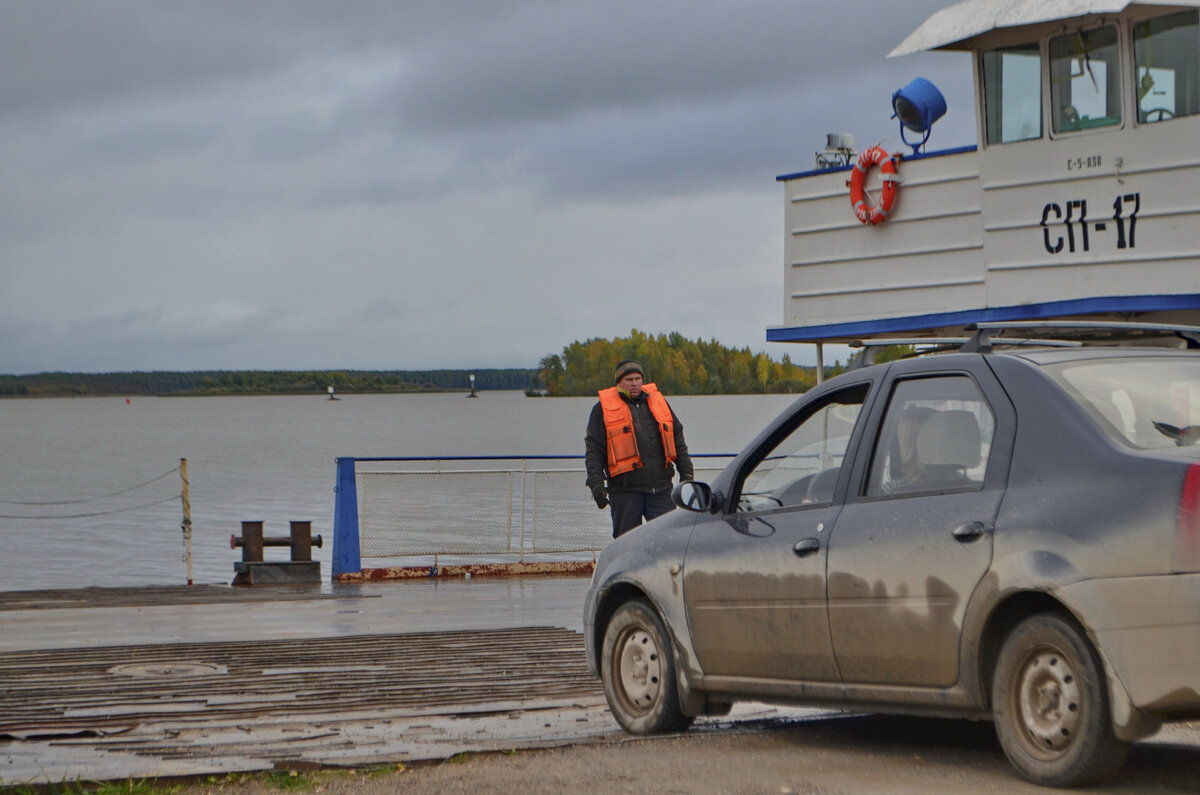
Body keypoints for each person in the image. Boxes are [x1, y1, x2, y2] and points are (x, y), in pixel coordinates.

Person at [585, 359, 694, 538]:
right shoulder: (601, 410)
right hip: (625, 492)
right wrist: (596, 484)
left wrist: (687, 474)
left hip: (661, 489)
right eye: (629, 380)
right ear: (619, 382)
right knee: (626, 545)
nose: (634, 383)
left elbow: (677, 439)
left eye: (638, 378)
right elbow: (594, 451)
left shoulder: (659, 403)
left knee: (669, 540)